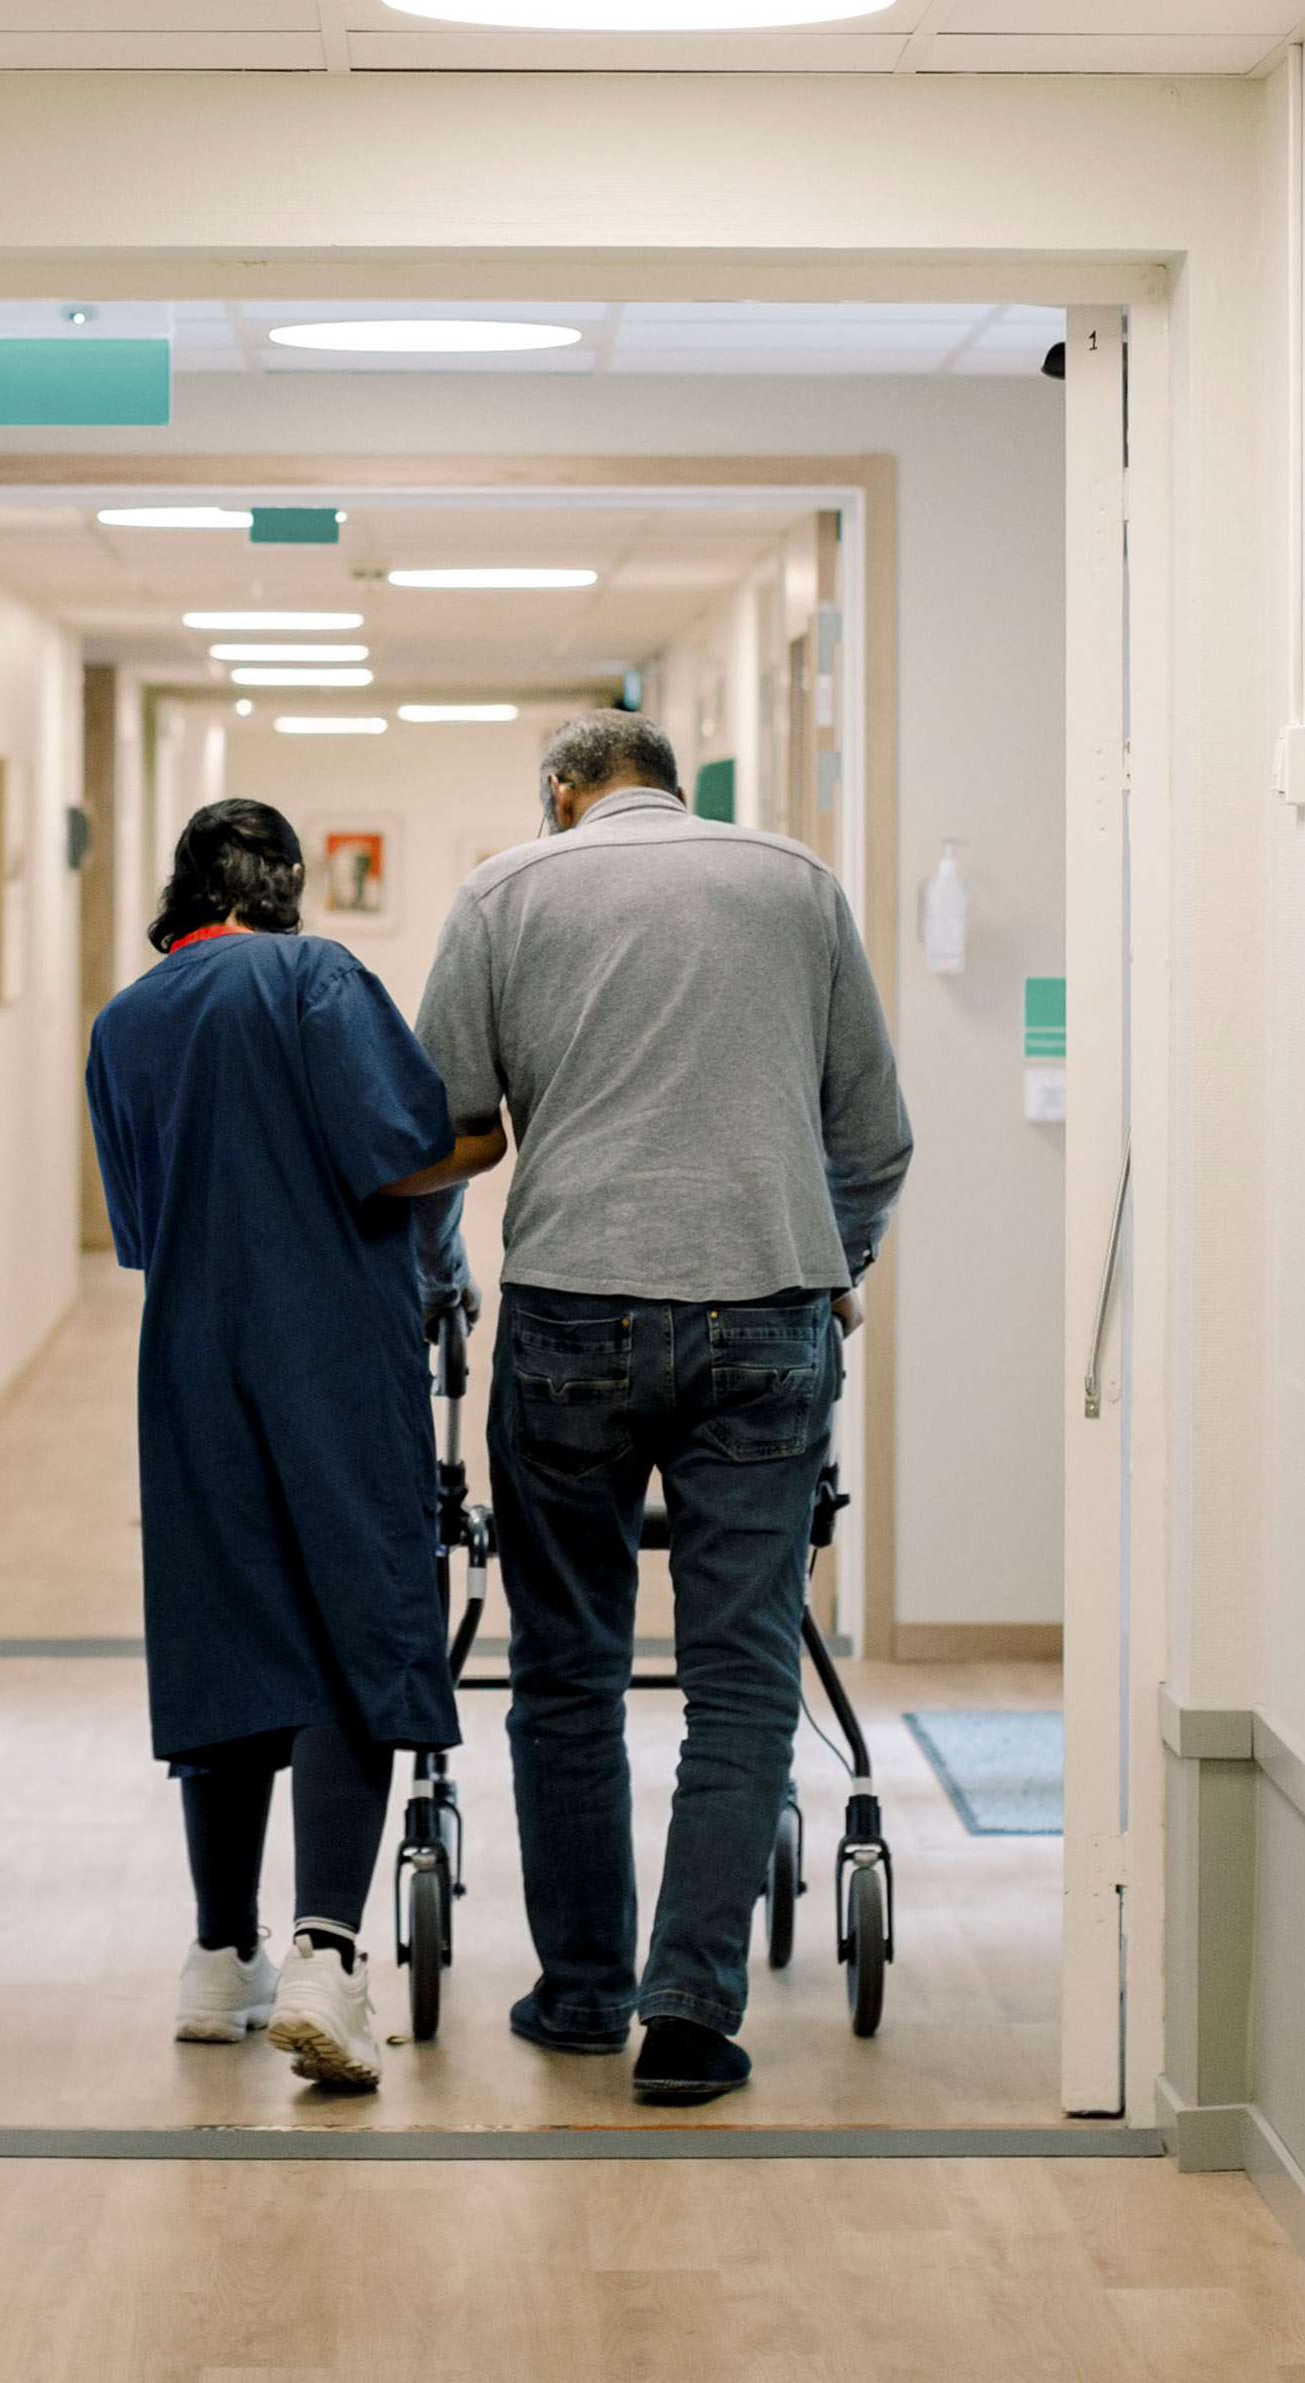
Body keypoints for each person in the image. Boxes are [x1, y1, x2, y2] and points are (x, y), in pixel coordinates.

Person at [413, 711, 911, 2105]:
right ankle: (691, 2012)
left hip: (572, 1307)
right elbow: (872, 1140)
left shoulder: (508, 890)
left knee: (566, 1663)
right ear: (675, 791)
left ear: (565, 795)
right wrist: (834, 1272)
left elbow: (446, 1121)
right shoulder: (796, 885)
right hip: (767, 1305)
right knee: (741, 1666)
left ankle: (581, 1995)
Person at [83, 799, 503, 2089]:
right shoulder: (313, 974)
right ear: (287, 889)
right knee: (348, 1625)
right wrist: (493, 1131)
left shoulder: (126, 1023)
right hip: (327, 1352)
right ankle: (327, 1953)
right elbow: (399, 1161)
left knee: (226, 1623)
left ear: (183, 892)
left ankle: (221, 1958)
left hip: (191, 1358)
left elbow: (141, 1230)